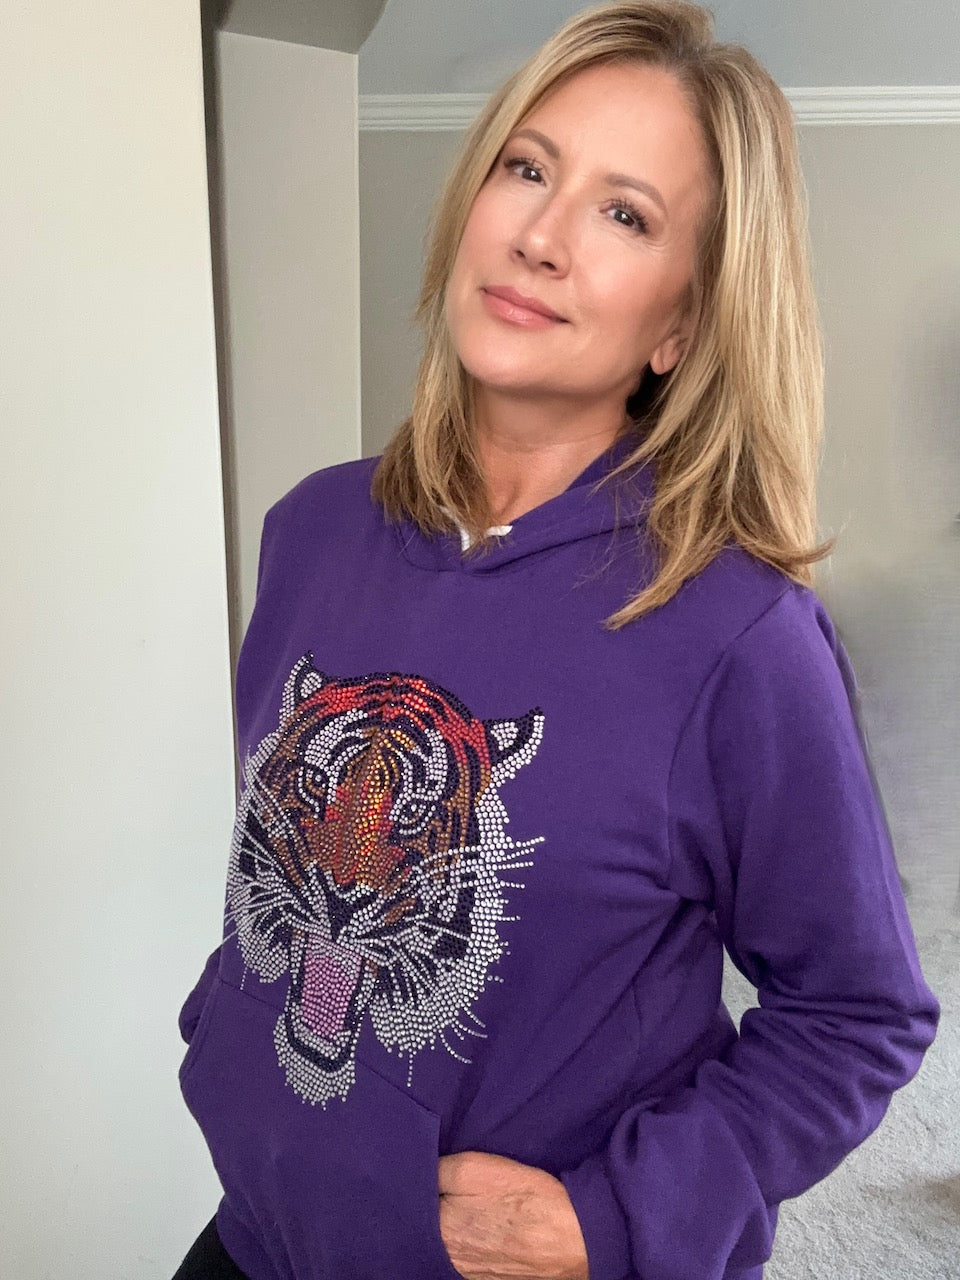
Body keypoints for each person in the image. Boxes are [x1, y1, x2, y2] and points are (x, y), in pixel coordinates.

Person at [172, 3, 940, 1279]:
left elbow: (859, 1012)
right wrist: (228, 1039)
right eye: (527, 168)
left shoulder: (739, 631)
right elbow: (276, 838)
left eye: (625, 213)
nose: (541, 234)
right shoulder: (311, 529)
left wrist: (614, 1218)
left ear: (681, 325)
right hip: (255, 1238)